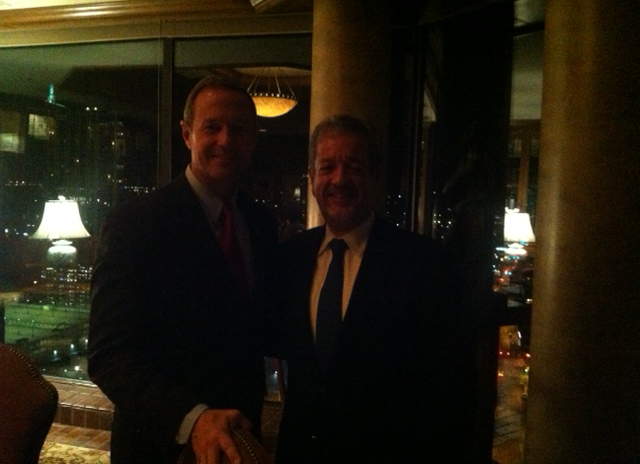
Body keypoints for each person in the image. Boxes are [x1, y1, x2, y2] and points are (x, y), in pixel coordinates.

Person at [88, 75, 279, 464]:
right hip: (160, 449)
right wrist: (194, 420)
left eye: (239, 129)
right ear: (187, 134)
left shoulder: (261, 223)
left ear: (253, 140)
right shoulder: (136, 223)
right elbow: (109, 355)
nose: (226, 140)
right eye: (212, 127)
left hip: (241, 441)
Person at [269, 114, 474, 463]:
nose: (339, 179)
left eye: (354, 167)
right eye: (327, 167)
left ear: (376, 177)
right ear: (312, 178)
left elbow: (452, 392)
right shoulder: (290, 258)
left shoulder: (424, 264)